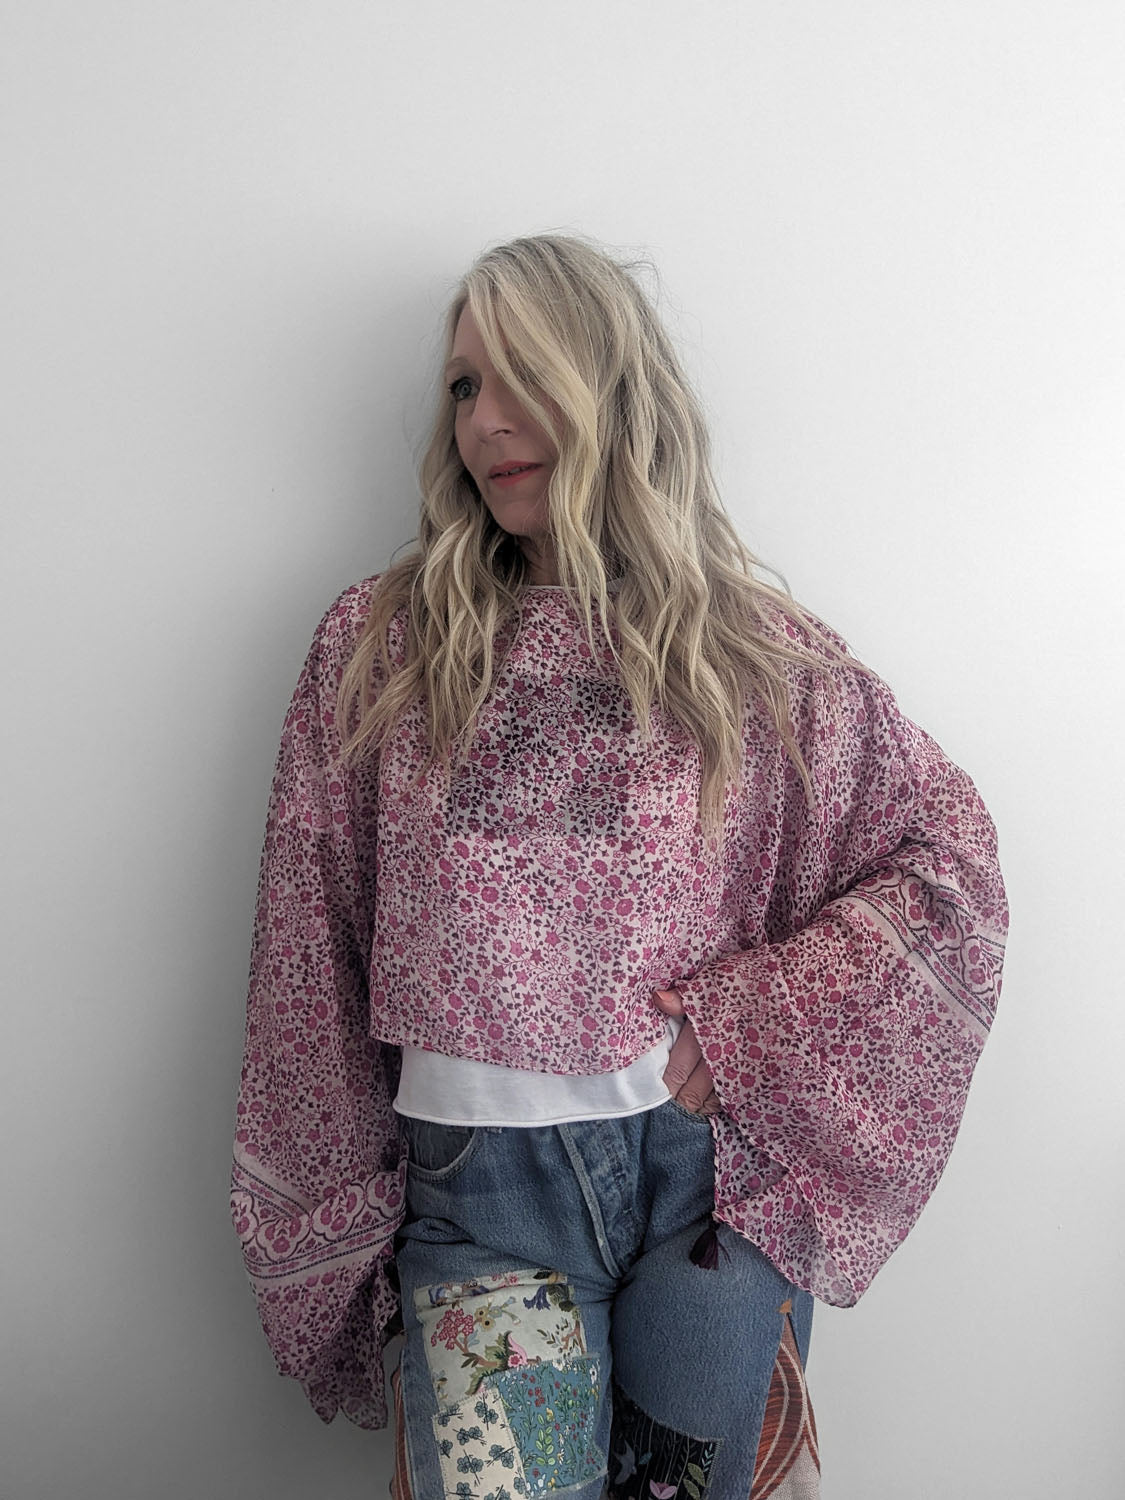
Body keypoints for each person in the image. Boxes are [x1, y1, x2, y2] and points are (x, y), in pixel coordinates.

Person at [230, 233, 1007, 1500]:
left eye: (523, 375)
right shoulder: (377, 650)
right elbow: (304, 954)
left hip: (710, 1196)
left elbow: (948, 864)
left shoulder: (752, 653)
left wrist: (760, 1019)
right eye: (464, 387)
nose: (486, 421)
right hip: (481, 1208)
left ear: (610, 388)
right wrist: (325, 1221)